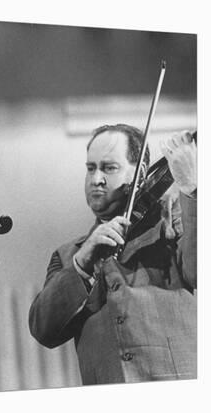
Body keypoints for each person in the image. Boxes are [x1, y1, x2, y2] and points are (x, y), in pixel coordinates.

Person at [28, 124, 197, 385]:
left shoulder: (174, 219)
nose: (96, 179)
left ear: (140, 173)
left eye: (109, 168)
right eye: (90, 168)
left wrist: (192, 191)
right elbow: (43, 330)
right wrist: (82, 263)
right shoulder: (67, 255)